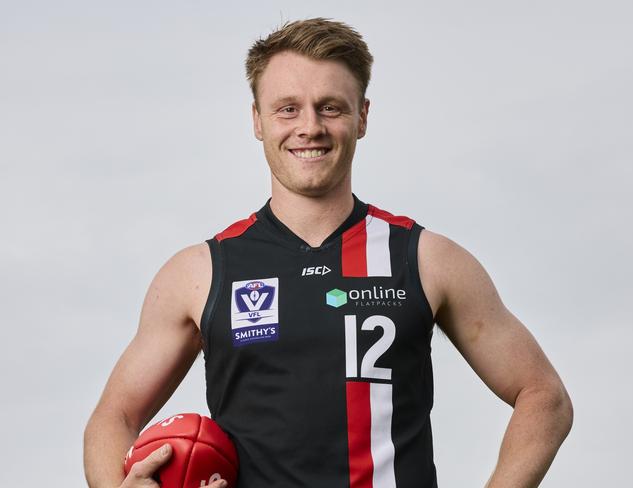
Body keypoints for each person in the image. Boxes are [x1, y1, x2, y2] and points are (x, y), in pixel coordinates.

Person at [83, 18, 573, 488]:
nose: (309, 127)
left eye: (331, 107)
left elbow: (543, 396)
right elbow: (114, 416)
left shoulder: (427, 259)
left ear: (362, 116)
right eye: (287, 108)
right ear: (258, 120)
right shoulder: (199, 273)